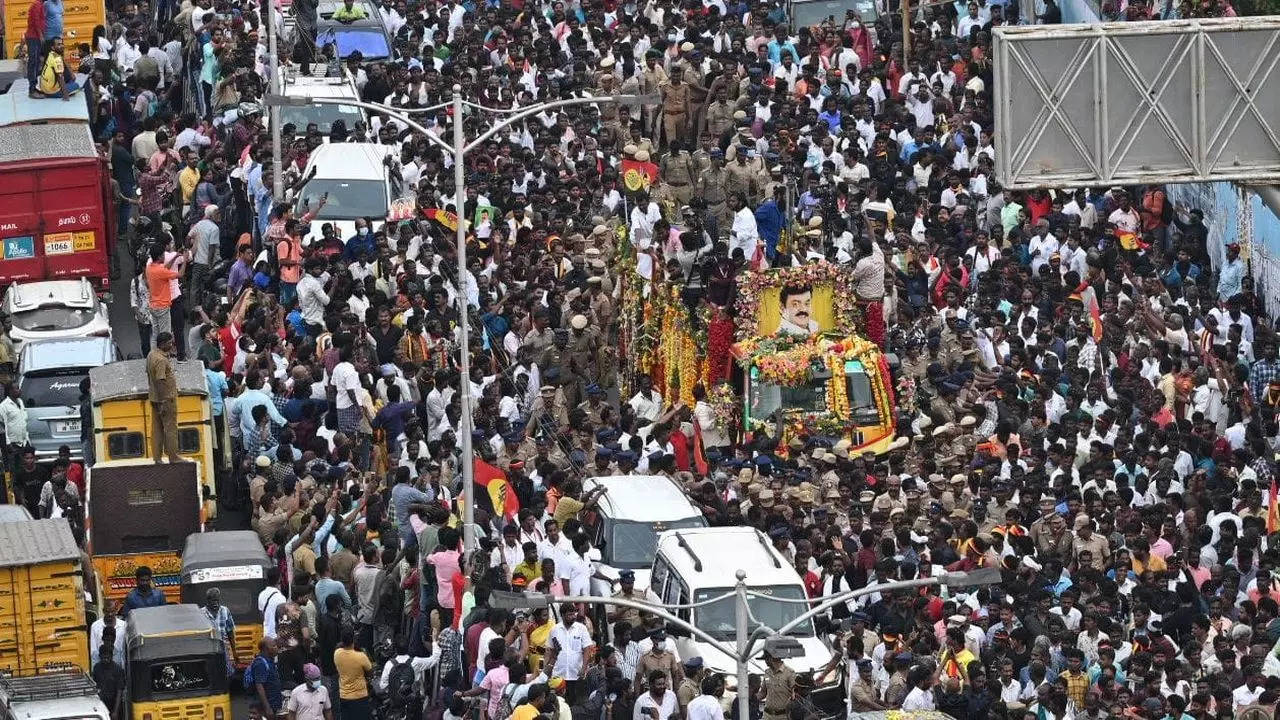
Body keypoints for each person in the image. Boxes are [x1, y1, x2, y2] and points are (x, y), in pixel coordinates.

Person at [145, 331, 183, 463]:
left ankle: (157, 457)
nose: (172, 344)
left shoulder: (151, 354)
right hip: (165, 399)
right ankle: (173, 456)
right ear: (163, 344)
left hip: (154, 397)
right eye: (170, 342)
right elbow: (160, 379)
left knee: (156, 428)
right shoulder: (161, 360)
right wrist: (164, 401)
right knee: (170, 428)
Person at [334, 627, 373, 720]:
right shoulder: (361, 656)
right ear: (354, 639)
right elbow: (370, 672)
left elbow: (339, 646)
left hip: (344, 695)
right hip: (360, 696)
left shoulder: (337, 653)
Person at [247, 637, 284, 719]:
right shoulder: (260, 663)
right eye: (274, 646)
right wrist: (267, 708)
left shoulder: (270, 660)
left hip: (274, 704)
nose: (276, 648)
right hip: (266, 707)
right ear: (267, 649)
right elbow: (259, 686)